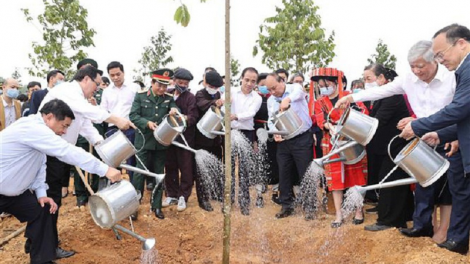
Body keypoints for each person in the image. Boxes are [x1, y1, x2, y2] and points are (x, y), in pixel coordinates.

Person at [1, 99, 122, 264]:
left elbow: (39, 166)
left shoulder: (40, 135)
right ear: (49, 117)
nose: (64, 132)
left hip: (13, 193)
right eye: (64, 126)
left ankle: (42, 260)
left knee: (42, 210)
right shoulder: (32, 128)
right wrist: (105, 170)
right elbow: (67, 151)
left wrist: (41, 193)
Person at [37, 65, 134, 258]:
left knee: (50, 200)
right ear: (86, 79)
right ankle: (46, 247)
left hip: (57, 154)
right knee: (51, 201)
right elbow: (89, 112)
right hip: (49, 154)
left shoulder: (77, 99)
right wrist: (116, 119)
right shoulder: (68, 91)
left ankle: (38, 242)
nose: (97, 89)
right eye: (97, 84)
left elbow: (85, 126)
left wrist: (100, 143)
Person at [399, 24, 470, 254]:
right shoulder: (462, 69)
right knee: (461, 194)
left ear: (461, 43)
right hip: (454, 139)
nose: (440, 60)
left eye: (441, 54)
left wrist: (418, 126)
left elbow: (459, 109)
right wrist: (440, 134)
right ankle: (458, 241)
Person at [338, 64, 415, 230]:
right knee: (392, 179)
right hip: (385, 146)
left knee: (390, 180)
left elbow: (376, 122)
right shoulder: (381, 97)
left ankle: (389, 220)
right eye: (364, 79)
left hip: (396, 144)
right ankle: (406, 212)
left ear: (381, 78)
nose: (366, 83)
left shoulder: (394, 96)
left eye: (369, 79)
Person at [312, 68, 367, 226]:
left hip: (351, 140)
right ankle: (338, 214)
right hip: (331, 142)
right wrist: (330, 126)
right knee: (335, 178)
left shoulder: (349, 97)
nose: (324, 88)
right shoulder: (320, 102)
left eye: (327, 84)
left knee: (355, 175)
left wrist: (348, 122)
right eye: (322, 85)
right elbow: (320, 120)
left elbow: (364, 111)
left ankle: (358, 210)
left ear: (337, 83)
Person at [129, 68, 178, 220]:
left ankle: (156, 206)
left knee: (159, 174)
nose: (162, 89)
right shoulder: (141, 95)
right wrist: (147, 123)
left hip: (160, 142)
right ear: (152, 82)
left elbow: (176, 109)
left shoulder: (169, 98)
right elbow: (133, 115)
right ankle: (134, 207)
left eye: (165, 86)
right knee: (139, 174)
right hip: (143, 140)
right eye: (159, 85)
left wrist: (175, 110)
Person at [265, 72, 313, 220]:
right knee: (283, 173)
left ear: (282, 81)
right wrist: (275, 133)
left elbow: (299, 91)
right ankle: (286, 205)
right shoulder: (271, 100)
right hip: (284, 141)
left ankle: (310, 207)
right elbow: (271, 119)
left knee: (305, 173)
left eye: (274, 88)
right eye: (270, 90)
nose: (273, 92)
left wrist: (287, 99)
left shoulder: (294, 89)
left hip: (302, 138)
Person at [163, 68, 199, 212]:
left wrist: (184, 118)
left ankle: (183, 196)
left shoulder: (190, 97)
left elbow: (193, 117)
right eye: (180, 82)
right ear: (174, 81)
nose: (183, 85)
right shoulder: (168, 94)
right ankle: (172, 194)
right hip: (169, 137)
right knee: (170, 165)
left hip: (185, 139)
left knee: (186, 167)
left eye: (185, 83)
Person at [229, 67, 262, 216]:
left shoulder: (257, 97)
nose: (249, 83)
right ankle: (228, 201)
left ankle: (244, 203)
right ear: (241, 78)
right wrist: (224, 104)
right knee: (229, 168)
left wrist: (235, 116)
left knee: (244, 169)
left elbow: (251, 113)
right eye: (247, 79)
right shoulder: (231, 93)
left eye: (253, 81)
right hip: (230, 132)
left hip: (246, 133)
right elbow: (223, 109)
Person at [100, 61, 139, 182]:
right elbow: (102, 111)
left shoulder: (134, 88)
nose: (115, 77)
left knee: (132, 159)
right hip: (113, 129)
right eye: (112, 75)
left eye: (118, 74)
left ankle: (134, 187)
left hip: (130, 128)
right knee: (113, 160)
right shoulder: (106, 92)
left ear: (123, 72)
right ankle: (114, 188)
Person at [194, 70, 225, 211]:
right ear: (206, 83)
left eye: (216, 87)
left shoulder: (218, 94)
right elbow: (202, 105)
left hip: (215, 139)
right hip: (201, 140)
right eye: (212, 86)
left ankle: (216, 193)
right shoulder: (200, 94)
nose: (214, 89)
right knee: (201, 171)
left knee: (218, 166)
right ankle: (203, 199)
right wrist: (215, 102)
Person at [254, 73, 280, 207]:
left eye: (267, 86)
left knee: (275, 162)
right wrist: (254, 140)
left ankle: (276, 191)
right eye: (262, 85)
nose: (265, 88)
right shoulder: (254, 99)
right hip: (258, 133)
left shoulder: (274, 99)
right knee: (259, 163)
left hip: (273, 134)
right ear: (257, 85)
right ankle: (259, 194)